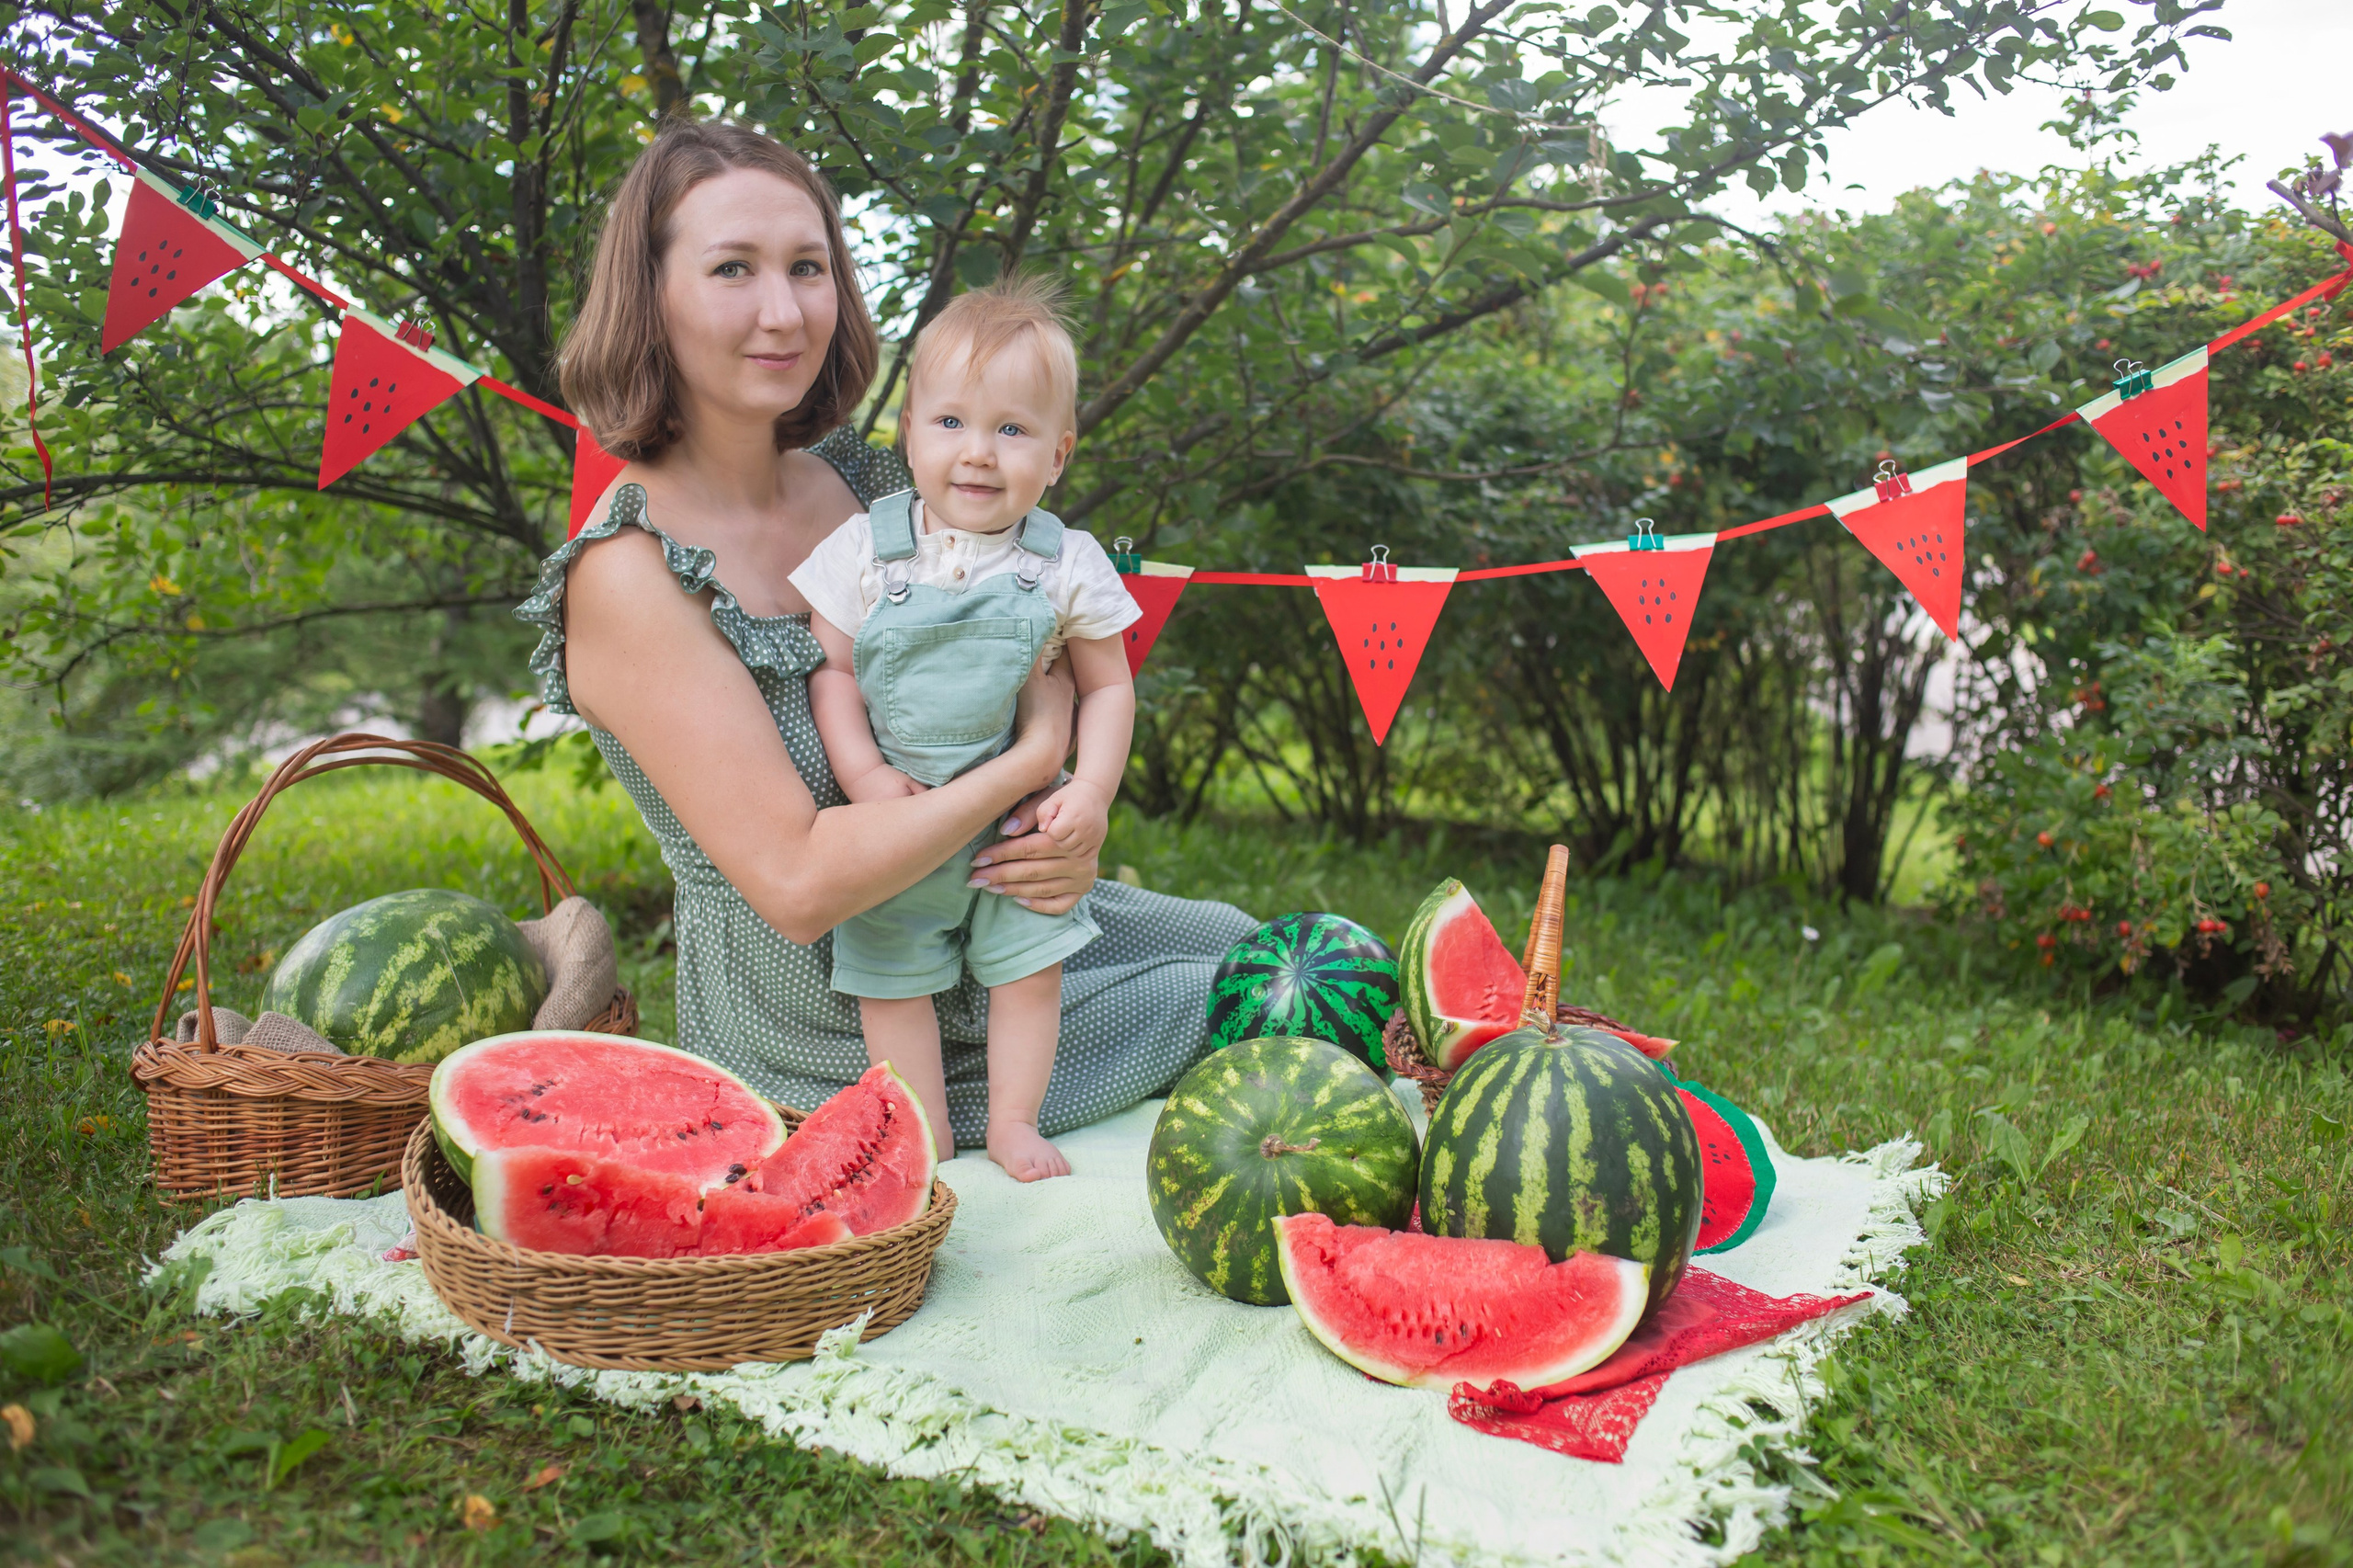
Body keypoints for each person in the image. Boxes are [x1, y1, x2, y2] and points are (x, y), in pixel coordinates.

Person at [514, 118, 1255, 1156]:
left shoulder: (868, 485)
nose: (784, 311)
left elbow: (1018, 656)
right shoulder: (629, 575)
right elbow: (803, 883)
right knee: (1249, 999)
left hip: (990, 913)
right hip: (831, 1004)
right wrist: (1031, 764)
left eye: (807, 267)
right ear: (652, 297)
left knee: (1248, 943)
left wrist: (1068, 820)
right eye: (733, 268)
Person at [792, 277, 1134, 1181]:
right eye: (949, 423)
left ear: (1057, 454)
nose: (978, 453)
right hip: (896, 820)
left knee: (1031, 974)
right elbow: (828, 670)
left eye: (1012, 430)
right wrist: (864, 775)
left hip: (1020, 830)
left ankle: (1015, 1120)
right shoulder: (868, 549)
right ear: (907, 431)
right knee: (890, 981)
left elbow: (1104, 689)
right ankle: (926, 1129)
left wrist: (1091, 789)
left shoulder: (1064, 562)